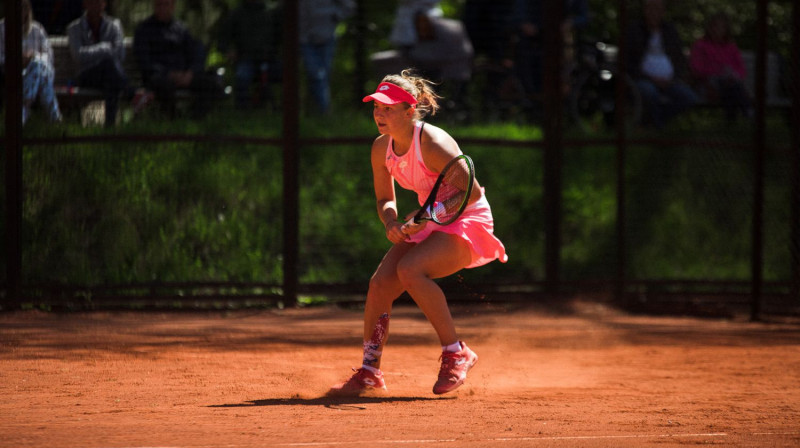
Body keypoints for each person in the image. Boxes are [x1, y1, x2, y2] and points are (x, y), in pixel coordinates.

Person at [328, 70, 508, 396]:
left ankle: (457, 352)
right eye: (376, 107)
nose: (379, 114)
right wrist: (391, 223)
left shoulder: (433, 143)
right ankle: (369, 371)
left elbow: (473, 192)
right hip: (430, 217)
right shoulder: (380, 148)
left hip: (466, 216)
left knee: (411, 270)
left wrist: (430, 215)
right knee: (380, 284)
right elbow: (385, 199)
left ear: (409, 111)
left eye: (388, 108)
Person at [134, 0, 222, 119]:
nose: (163, 8)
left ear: (173, 6)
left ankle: (195, 117)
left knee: (211, 83)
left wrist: (190, 73)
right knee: (163, 85)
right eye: (159, 4)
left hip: (184, 76)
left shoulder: (181, 29)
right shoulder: (144, 30)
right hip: (160, 77)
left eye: (166, 4)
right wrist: (169, 74)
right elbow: (144, 61)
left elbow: (194, 54)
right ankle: (172, 117)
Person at [624, 0, 698, 129]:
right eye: (650, 8)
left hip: (670, 81)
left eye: (658, 9)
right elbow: (627, 62)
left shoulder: (670, 31)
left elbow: (679, 59)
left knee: (689, 98)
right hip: (643, 79)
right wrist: (651, 78)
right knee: (649, 93)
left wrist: (675, 78)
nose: (654, 13)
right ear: (645, 10)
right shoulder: (634, 30)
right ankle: (656, 125)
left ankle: (657, 121)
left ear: (663, 11)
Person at [0, 0, 63, 125]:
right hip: (14, 74)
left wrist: (32, 57)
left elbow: (48, 56)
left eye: (24, 7)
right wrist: (17, 60)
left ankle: (23, 109)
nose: (20, 11)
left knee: (37, 65)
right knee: (40, 73)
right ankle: (55, 118)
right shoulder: (1, 29)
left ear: (28, 10)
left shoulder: (37, 29)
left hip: (39, 71)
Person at [67, 0, 128, 127]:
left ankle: (109, 128)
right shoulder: (74, 28)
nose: (95, 5)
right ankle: (131, 92)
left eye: (99, 2)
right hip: (85, 76)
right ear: (85, 4)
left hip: (109, 77)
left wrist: (97, 55)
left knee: (111, 78)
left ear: (104, 3)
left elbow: (120, 54)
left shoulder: (114, 26)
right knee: (109, 65)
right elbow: (78, 56)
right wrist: (104, 48)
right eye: (91, 2)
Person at [218, 0, 282, 110]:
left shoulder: (270, 13)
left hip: (269, 59)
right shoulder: (237, 14)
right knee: (242, 77)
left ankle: (283, 109)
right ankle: (243, 112)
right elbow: (223, 39)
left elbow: (279, 35)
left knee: (289, 74)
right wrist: (229, 52)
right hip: (246, 59)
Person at [689, 12, 752, 122]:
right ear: (709, 28)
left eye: (721, 27)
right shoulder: (700, 45)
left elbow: (741, 70)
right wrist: (716, 71)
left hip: (729, 83)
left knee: (732, 86)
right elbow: (696, 68)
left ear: (726, 30)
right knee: (733, 89)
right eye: (714, 26)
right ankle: (746, 113)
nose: (716, 30)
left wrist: (732, 75)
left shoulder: (731, 47)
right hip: (707, 84)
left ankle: (733, 121)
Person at [298, 0, 354, 115]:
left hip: (326, 36)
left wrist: (334, 16)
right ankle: (319, 110)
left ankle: (322, 112)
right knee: (314, 74)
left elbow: (349, 6)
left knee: (321, 76)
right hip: (303, 37)